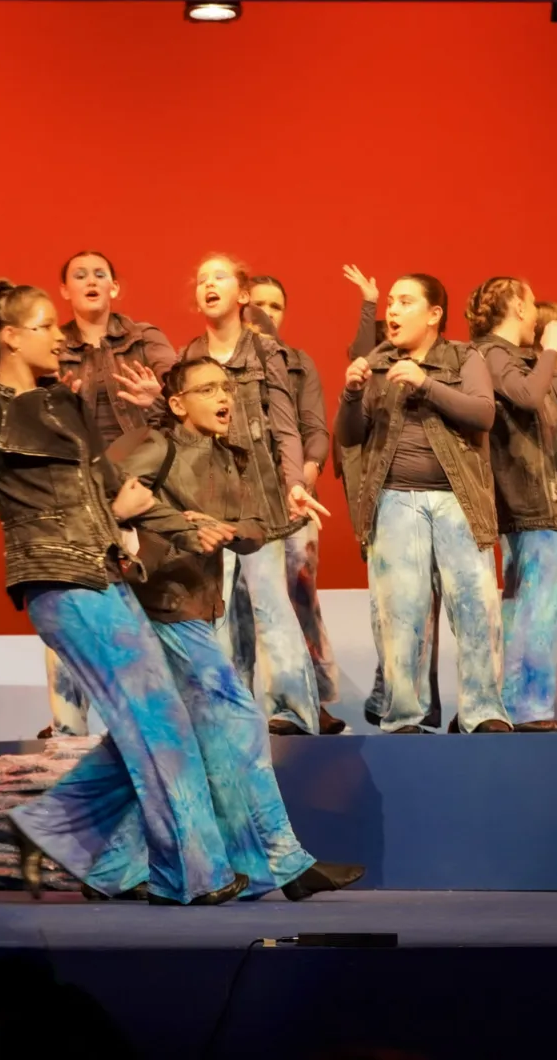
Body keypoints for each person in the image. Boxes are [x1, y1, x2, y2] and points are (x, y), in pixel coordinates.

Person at [0, 279, 246, 906]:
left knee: (162, 716)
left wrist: (185, 526)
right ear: (11, 337)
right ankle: (191, 875)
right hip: (55, 578)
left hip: (106, 572)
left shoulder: (63, 403)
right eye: (46, 326)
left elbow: (118, 489)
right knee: (156, 721)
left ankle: (71, 839)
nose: (60, 337)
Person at [82, 354, 364, 901]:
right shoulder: (157, 447)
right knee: (242, 721)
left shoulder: (231, 457)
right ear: (177, 403)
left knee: (170, 746)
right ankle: (286, 863)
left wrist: (229, 530)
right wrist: (176, 525)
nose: (223, 397)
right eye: (208, 388)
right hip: (161, 606)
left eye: (227, 388)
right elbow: (107, 501)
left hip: (196, 607)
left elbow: (259, 527)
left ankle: (111, 871)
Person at [336, 274, 513, 734]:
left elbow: (484, 413)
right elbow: (351, 436)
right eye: (390, 302)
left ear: (434, 314)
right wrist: (351, 395)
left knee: (475, 609)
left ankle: (482, 712)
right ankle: (405, 715)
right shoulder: (377, 364)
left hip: (458, 501)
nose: (392, 311)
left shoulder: (464, 357)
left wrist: (425, 384)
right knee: (401, 613)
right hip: (395, 501)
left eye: (405, 302)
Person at [183, 255, 328, 736]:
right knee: (218, 609)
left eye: (219, 277)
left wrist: (295, 483)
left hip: (260, 498)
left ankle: (292, 711)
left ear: (242, 294)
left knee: (270, 605)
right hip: (209, 498)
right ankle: (229, 713)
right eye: (202, 279)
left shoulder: (266, 353)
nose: (208, 284)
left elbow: (287, 428)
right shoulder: (190, 357)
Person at [41, 250, 179, 739]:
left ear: (115, 287)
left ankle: (154, 726)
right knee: (68, 602)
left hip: (139, 487)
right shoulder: (52, 345)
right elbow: (29, 417)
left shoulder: (144, 338)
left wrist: (156, 401)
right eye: (79, 275)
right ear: (65, 290)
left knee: (145, 605)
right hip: (75, 489)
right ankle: (68, 727)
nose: (91, 281)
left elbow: (186, 398)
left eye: (100, 274)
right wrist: (56, 405)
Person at [467, 280, 557, 731]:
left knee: (538, 602)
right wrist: (549, 350)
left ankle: (517, 704)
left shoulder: (522, 361)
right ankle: (526, 707)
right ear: (520, 308)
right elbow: (525, 399)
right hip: (524, 493)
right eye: (529, 302)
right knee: (540, 605)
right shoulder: (492, 354)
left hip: (542, 494)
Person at [246, 274, 345, 735]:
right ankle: (243, 706)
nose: (267, 313)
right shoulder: (216, 359)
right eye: (259, 303)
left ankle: (312, 700)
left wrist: (300, 483)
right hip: (239, 503)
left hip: (294, 500)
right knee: (240, 607)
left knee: (300, 598)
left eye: (276, 306)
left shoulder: (299, 363)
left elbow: (315, 432)